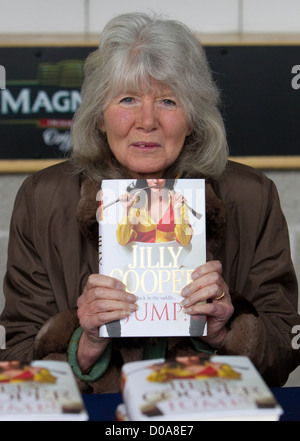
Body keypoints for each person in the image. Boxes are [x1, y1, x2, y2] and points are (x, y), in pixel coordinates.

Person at [0, 12, 299, 393]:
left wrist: (227, 332)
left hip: (208, 412)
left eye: (168, 101)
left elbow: (286, 344)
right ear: (100, 118)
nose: (147, 121)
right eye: (127, 99)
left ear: (193, 118)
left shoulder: (252, 195)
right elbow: (15, 353)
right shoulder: (43, 199)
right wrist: (85, 343)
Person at [116, 178, 194, 245]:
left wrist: (177, 211)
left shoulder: (179, 202)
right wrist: (126, 210)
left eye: (160, 177)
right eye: (150, 177)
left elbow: (185, 241)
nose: (155, 181)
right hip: (141, 259)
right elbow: (122, 240)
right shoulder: (136, 202)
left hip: (169, 259)